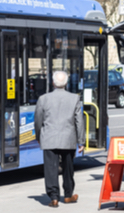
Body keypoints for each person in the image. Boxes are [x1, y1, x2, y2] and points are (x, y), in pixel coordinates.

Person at [34, 71, 85, 208]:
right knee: (68, 168)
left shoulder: (43, 99)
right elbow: (79, 121)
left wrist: (38, 136)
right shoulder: (74, 98)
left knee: (51, 169)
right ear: (66, 83)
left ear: (52, 83)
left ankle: (54, 197)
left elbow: (38, 120)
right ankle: (68, 195)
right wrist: (81, 141)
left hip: (49, 138)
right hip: (68, 139)